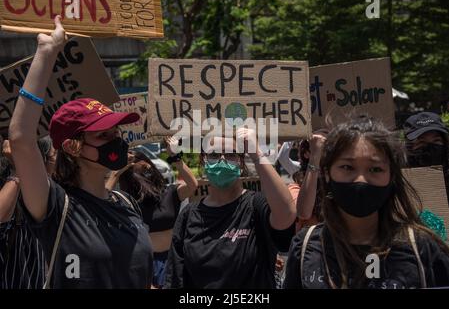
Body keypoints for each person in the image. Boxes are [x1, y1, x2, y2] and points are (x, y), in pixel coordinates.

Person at [8, 17, 153, 288]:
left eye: (116, 133)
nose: (115, 141)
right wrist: (47, 53)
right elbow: (20, 139)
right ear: (72, 147)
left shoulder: (126, 203)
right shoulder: (55, 206)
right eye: (103, 135)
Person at [284, 116, 449, 289]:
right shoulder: (305, 247)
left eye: (375, 169)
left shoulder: (423, 248)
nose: (361, 179)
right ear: (327, 173)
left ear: (391, 176)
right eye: (347, 167)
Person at [164, 129, 296, 288]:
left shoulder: (255, 205)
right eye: (214, 155)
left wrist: (256, 155)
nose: (222, 160)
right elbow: (175, 278)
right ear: (203, 161)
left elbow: (287, 214)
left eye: (231, 155)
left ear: (241, 163)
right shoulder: (188, 215)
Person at [106, 137, 198, 288]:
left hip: (173, 260)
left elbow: (192, 185)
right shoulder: (127, 202)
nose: (144, 168)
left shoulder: (170, 193)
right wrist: (116, 173)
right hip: (144, 262)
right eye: (133, 166)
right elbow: (102, 200)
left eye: (143, 162)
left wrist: (175, 157)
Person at [0, 137, 54, 289]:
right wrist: (20, 167)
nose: (56, 164)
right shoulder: (15, 201)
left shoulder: (52, 199)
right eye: (53, 156)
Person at [403, 112, 449, 204]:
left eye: (436, 140)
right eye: (421, 142)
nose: (430, 147)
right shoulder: (402, 180)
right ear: (409, 146)